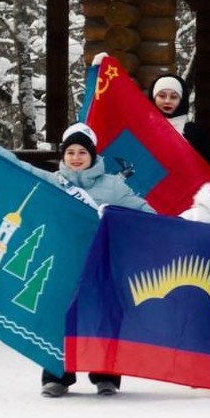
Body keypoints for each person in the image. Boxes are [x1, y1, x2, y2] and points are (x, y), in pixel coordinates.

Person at [39, 122, 153, 399]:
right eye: (70, 152)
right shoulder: (52, 183)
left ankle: (106, 375)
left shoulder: (113, 185)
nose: (76, 157)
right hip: (62, 263)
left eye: (82, 152)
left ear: (92, 155)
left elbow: (146, 214)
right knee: (60, 319)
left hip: (102, 264)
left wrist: (114, 217)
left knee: (103, 317)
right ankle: (57, 376)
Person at [149, 73, 210, 167]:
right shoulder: (143, 129)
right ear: (154, 98)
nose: (167, 101)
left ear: (181, 100)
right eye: (162, 96)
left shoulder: (194, 133)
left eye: (173, 97)